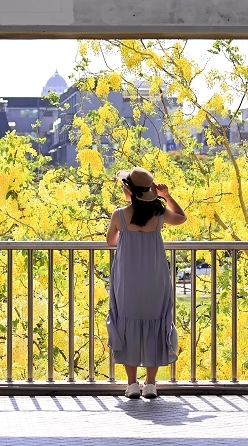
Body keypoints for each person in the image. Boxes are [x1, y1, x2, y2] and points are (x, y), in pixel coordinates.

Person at [106, 166, 187, 399]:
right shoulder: (159, 213)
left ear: (129, 190)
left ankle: (132, 384)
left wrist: (126, 235)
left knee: (126, 323)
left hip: (127, 278)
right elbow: (181, 218)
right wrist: (167, 197)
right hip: (155, 277)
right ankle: (150, 384)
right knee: (156, 324)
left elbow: (111, 241)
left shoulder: (119, 215)